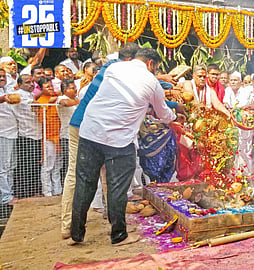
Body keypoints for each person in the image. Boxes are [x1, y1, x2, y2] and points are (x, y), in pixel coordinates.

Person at [70, 48, 176, 246]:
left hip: (90, 132)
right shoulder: (152, 82)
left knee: (84, 184)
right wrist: (174, 117)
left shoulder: (114, 68)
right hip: (119, 140)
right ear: (151, 64)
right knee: (117, 189)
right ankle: (119, 235)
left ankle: (76, 232)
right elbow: (163, 113)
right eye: (156, 68)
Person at [61, 43, 140, 240]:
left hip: (98, 129)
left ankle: (110, 221)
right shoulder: (114, 70)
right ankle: (69, 226)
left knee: (108, 177)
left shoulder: (113, 69)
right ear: (131, 61)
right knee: (78, 177)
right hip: (84, 126)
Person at [13, 74, 42, 198]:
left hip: (36, 134)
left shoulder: (30, 94)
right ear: (19, 85)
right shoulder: (18, 95)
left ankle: (34, 191)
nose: (31, 84)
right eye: (27, 82)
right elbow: (36, 106)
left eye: (31, 82)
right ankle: (26, 193)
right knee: (27, 166)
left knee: (35, 164)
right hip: (26, 135)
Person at [36, 77, 63, 197]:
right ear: (41, 89)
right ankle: (47, 192)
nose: (51, 88)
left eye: (51, 86)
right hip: (48, 137)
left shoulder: (56, 98)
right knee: (48, 166)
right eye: (47, 87)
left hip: (59, 136)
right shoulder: (41, 101)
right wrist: (49, 102)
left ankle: (58, 190)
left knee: (58, 165)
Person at [224, 71, 253, 174]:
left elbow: (243, 105)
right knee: (233, 148)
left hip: (243, 124)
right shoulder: (228, 90)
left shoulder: (246, 91)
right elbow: (226, 102)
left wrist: (234, 109)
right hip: (232, 123)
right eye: (231, 80)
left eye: (235, 80)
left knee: (245, 150)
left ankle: (247, 173)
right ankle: (235, 173)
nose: (233, 82)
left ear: (240, 82)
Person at [0, 68, 19, 205]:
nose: (2, 79)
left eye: (3, 76)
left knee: (11, 166)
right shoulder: (3, 94)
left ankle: (10, 193)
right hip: (3, 133)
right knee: (4, 167)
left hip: (13, 133)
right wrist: (3, 99)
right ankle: (5, 197)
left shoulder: (7, 89)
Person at [56, 80, 79, 183]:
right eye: (73, 88)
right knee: (70, 162)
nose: (76, 90)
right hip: (67, 135)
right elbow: (65, 103)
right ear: (65, 90)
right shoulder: (61, 98)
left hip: (79, 134)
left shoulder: (77, 99)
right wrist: (81, 102)